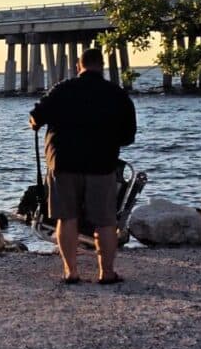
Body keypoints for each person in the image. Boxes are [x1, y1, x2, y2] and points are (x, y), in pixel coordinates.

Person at [29, 48, 136, 285]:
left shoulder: (62, 89)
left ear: (79, 66)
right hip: (102, 164)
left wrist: (37, 124)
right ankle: (106, 273)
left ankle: (71, 271)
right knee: (106, 220)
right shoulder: (117, 94)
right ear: (102, 66)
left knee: (66, 218)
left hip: (64, 163)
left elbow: (36, 116)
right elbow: (128, 136)